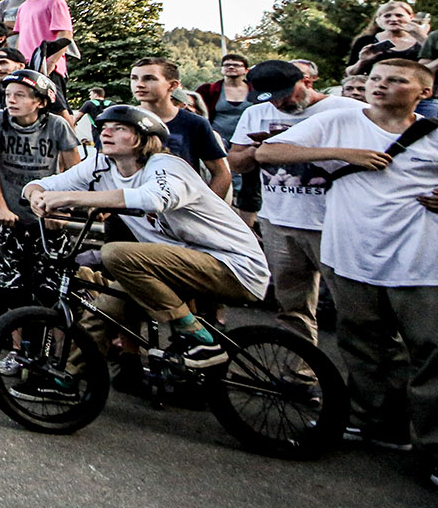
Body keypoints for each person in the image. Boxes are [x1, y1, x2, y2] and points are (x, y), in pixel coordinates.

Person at [257, 58, 437, 471]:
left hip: (420, 262)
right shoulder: (340, 119)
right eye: (375, 79)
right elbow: (270, 151)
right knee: (364, 347)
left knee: (429, 354)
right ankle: (376, 423)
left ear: (423, 93)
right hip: (352, 256)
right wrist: (343, 154)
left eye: (395, 80)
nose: (381, 86)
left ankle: (431, 448)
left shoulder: (432, 135)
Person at [28, 105, 271, 371]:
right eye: (104, 127)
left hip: (233, 266)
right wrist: (36, 196)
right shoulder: (100, 164)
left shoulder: (168, 166)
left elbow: (152, 199)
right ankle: (68, 379)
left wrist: (70, 198)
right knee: (104, 308)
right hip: (174, 267)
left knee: (117, 253)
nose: (106, 133)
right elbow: (48, 184)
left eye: (119, 128)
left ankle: (198, 337)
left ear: (143, 138)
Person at [228, 60, 340, 343]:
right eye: (271, 98)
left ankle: (364, 382)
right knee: (292, 309)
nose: (278, 103)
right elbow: (236, 162)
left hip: (335, 221)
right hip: (278, 220)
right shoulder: (255, 114)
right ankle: (302, 373)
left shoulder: (343, 109)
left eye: (285, 95)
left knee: (355, 309)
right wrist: (262, 150)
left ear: (307, 81)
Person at [0, 68, 81, 266]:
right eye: (8, 95)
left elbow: (74, 170)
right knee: (10, 276)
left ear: (40, 102)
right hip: (10, 210)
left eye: (20, 95)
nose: (11, 100)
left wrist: (64, 210)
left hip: (45, 208)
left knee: (52, 273)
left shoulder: (58, 125)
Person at [128, 59, 230, 198]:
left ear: (172, 85)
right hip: (127, 209)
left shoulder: (194, 123)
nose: (139, 84)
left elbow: (221, 173)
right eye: (134, 78)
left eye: (149, 78)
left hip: (180, 207)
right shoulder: (121, 120)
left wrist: (207, 210)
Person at [198, 54, 260, 223]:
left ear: (245, 70)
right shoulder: (209, 90)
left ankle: (249, 222)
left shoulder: (255, 91)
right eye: (227, 65)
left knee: (248, 182)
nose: (231, 67)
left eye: (236, 65)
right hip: (219, 141)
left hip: (247, 142)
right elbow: (200, 112)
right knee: (221, 174)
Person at [11, 0, 73, 94]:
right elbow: (20, 37)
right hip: (27, 66)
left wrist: (51, 63)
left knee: (57, 109)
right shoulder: (23, 7)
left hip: (48, 66)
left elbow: (65, 35)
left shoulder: (54, 0)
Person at [345, 0, 423, 78]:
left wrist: (422, 37)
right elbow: (350, 74)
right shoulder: (366, 41)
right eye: (387, 16)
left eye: (399, 15)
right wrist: (362, 61)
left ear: (411, 17)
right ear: (378, 20)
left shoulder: (422, 41)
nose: (393, 19)